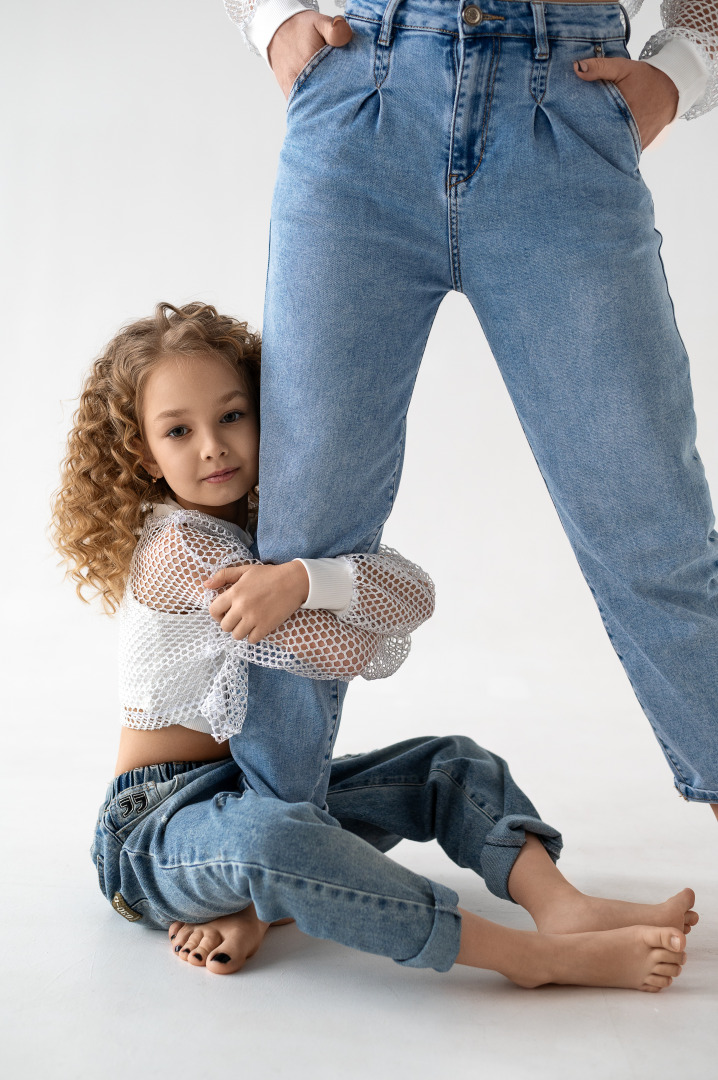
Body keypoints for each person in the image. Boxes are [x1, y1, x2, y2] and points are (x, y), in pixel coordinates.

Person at [52, 301, 696, 989]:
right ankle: (529, 959)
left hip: (258, 789)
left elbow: (416, 595)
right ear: (143, 456)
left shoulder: (273, 539)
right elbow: (347, 653)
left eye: (233, 415)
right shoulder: (179, 549)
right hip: (157, 833)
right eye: (179, 431)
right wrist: (339, 590)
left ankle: (561, 907)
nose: (213, 445)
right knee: (276, 841)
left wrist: (302, 578)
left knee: (449, 766)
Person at [220, 0, 718, 817]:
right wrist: (275, 21)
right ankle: (272, 840)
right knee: (303, 521)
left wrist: (677, 73)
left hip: (563, 109)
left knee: (651, 527)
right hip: (363, 105)